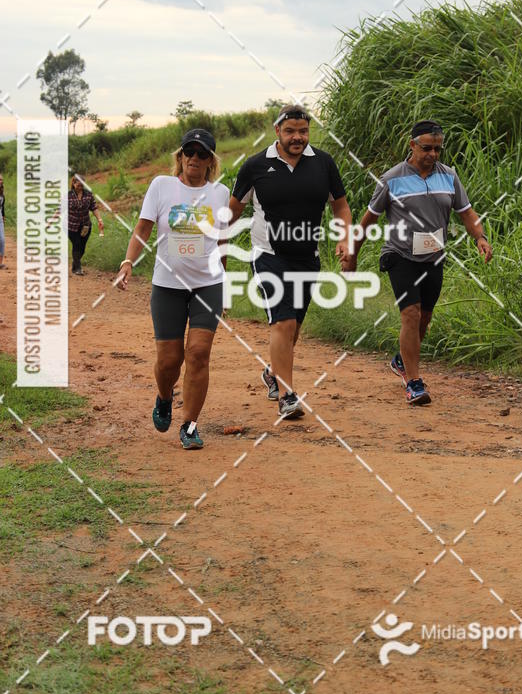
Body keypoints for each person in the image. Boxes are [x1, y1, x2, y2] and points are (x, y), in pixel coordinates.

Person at [345, 120, 492, 406]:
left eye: (437, 149)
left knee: (425, 317)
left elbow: (466, 212)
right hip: (400, 255)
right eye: (426, 148)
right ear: (412, 145)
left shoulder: (449, 176)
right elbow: (369, 219)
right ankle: (413, 382)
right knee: (410, 314)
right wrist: (353, 255)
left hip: (434, 256)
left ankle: (402, 360)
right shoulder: (392, 179)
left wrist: (480, 238)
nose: (433, 154)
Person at [228, 104, 352, 419]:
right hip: (268, 256)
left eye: (303, 131)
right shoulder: (256, 166)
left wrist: (344, 238)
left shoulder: (323, 163)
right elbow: (233, 211)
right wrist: (216, 244)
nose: (297, 137)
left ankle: (272, 372)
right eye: (290, 131)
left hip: (308, 258)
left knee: (293, 327)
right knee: (282, 322)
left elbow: (340, 206)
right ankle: (287, 396)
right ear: (277, 131)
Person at [117, 128, 229, 450]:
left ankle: (189, 426)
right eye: (189, 152)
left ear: (210, 161)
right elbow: (142, 229)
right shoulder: (161, 186)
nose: (195, 158)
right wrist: (128, 261)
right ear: (180, 157)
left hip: (208, 284)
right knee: (169, 361)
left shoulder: (220, 193)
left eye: (202, 154)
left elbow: (221, 242)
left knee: (199, 354)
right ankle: (165, 396)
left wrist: (225, 282)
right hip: (168, 286)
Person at [68, 175, 104, 275]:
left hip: (85, 225)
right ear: (73, 184)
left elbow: (94, 207)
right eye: (78, 184)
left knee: (82, 248)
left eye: (82, 184)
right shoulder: (68, 196)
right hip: (71, 226)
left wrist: (99, 219)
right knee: (76, 244)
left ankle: (75, 263)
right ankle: (78, 268)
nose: (80, 186)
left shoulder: (88, 194)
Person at [0, 174, 5, 269]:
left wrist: (3, 218)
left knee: (2, 240)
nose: (0, 181)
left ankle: (0, 263)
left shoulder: (2, 193)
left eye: (1, 180)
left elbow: (2, 207)